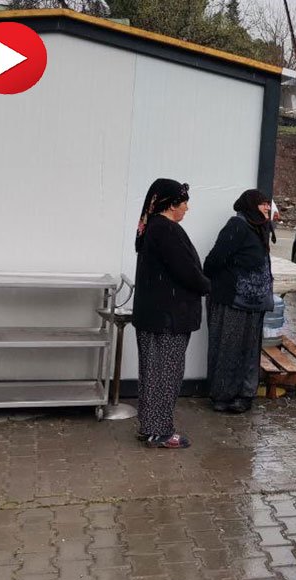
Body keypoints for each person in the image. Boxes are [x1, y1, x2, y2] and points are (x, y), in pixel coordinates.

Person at [132, 179, 211, 449]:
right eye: (184, 202)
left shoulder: (152, 228)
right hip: (168, 318)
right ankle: (160, 432)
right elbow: (187, 272)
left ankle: (150, 427)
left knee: (152, 373)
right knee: (166, 374)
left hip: (154, 316)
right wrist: (208, 285)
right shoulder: (166, 230)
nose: (187, 208)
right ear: (170, 204)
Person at [202, 189, 275, 414]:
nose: (266, 208)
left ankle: (244, 395)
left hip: (254, 304)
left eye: (267, 204)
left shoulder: (259, 228)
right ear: (250, 205)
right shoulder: (237, 226)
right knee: (227, 348)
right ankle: (222, 396)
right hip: (232, 301)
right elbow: (213, 261)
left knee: (249, 350)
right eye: (262, 204)